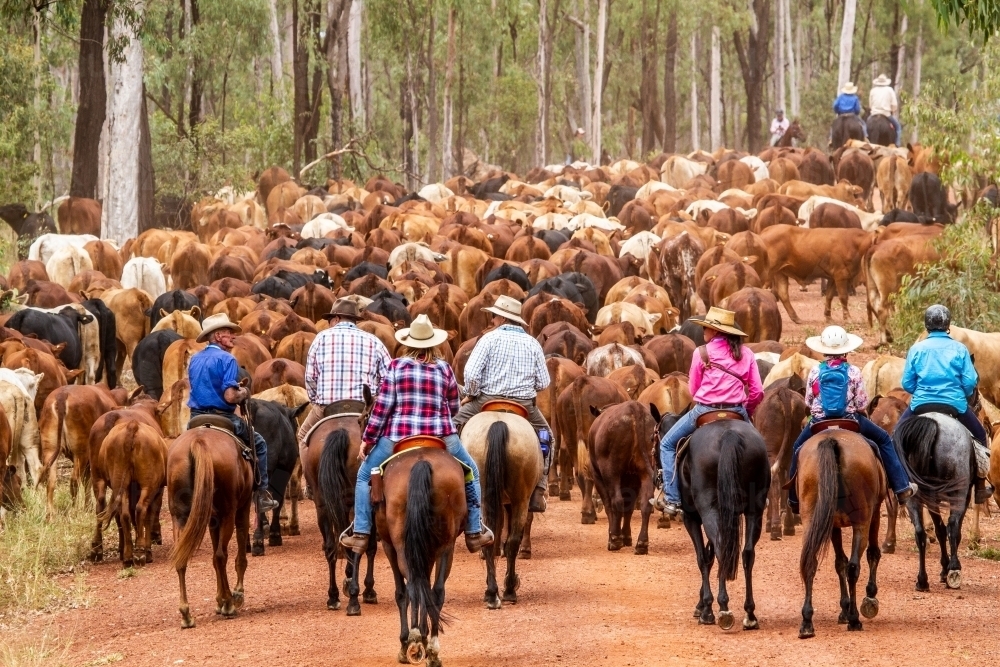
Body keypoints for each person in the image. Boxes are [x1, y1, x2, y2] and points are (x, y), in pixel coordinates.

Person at [340, 314, 494, 555]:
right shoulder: (444, 368)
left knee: (362, 477)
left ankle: (360, 533)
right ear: (433, 343)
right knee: (472, 472)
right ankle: (474, 531)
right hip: (441, 435)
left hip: (398, 436)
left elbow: (381, 409)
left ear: (409, 343)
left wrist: (368, 441)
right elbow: (454, 407)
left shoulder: (395, 367)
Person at [785, 326, 917, 513]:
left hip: (819, 422)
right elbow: (862, 402)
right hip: (849, 420)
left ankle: (793, 500)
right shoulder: (854, 371)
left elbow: (809, 400)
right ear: (845, 349)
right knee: (884, 440)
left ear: (824, 350)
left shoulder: (815, 372)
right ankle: (902, 488)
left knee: (797, 448)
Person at [655, 307, 764, 517]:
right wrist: (745, 411)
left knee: (667, 443)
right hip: (737, 411)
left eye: (706, 328)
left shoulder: (701, 352)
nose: (703, 331)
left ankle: (672, 499)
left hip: (705, 410)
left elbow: (693, 389)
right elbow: (757, 391)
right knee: (761, 450)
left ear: (715, 331)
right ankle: (760, 494)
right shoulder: (747, 353)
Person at [452, 295, 552, 513]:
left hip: (486, 401)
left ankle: (454, 484)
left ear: (501, 318)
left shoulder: (488, 339)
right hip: (523, 404)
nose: (492, 319)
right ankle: (539, 490)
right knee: (547, 436)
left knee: (451, 428)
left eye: (494, 315)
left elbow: (471, 373)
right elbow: (544, 382)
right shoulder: (533, 343)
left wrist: (471, 393)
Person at [895, 305, 995, 503]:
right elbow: (969, 382)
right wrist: (960, 393)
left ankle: (900, 483)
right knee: (981, 436)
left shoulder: (917, 349)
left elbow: (906, 383)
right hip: (954, 405)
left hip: (921, 405)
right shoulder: (959, 349)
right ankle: (981, 485)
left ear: (927, 325)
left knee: (895, 437)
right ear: (948, 325)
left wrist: (923, 392)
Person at [187, 313, 279, 514]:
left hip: (195, 418)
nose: (233, 337)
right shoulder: (227, 359)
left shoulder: (194, 359)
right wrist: (244, 392)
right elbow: (230, 397)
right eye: (228, 333)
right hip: (223, 417)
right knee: (260, 444)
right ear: (218, 336)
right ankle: (262, 494)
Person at [297, 298, 391, 466]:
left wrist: (316, 401)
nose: (328, 324)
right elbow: (389, 378)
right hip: (363, 407)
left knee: (302, 437)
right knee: (389, 439)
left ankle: (308, 483)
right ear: (354, 320)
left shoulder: (320, 338)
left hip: (328, 406)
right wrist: (374, 399)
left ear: (337, 318)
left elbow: (310, 377)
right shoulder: (373, 341)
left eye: (329, 320)